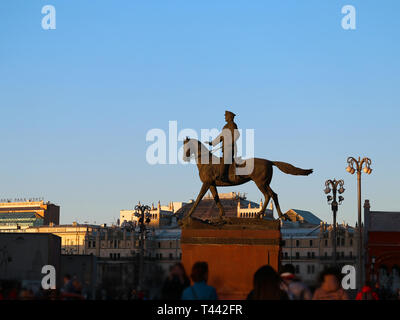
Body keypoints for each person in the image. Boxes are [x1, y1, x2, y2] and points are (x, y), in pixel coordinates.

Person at [207, 110, 240, 183]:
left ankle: (222, 176)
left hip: (230, 148)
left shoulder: (232, 125)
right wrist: (212, 143)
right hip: (225, 148)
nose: (225, 117)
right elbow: (221, 137)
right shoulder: (225, 126)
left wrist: (230, 143)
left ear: (230, 117)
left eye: (226, 116)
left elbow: (237, 134)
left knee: (225, 160)